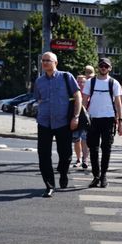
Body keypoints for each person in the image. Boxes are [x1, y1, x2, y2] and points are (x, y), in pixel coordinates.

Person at [33, 52, 81, 198]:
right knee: (43, 155)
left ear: (56, 63)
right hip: (44, 122)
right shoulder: (39, 81)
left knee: (65, 154)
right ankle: (49, 185)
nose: (45, 63)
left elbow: (77, 96)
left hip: (63, 122)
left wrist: (76, 117)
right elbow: (38, 99)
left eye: (48, 60)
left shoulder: (66, 77)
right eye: (43, 61)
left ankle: (64, 172)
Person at [83, 57, 122, 189]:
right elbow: (84, 100)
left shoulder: (114, 83)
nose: (103, 68)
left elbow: (118, 104)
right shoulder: (91, 82)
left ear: (110, 68)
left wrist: (121, 122)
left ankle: (104, 176)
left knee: (106, 148)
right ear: (98, 67)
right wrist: (81, 116)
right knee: (93, 149)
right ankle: (96, 176)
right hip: (93, 118)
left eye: (106, 66)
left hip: (108, 119)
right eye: (101, 66)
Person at [72, 74, 89, 170]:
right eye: (78, 81)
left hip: (86, 120)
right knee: (76, 139)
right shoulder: (73, 93)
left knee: (85, 139)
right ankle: (78, 159)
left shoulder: (88, 93)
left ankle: (85, 160)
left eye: (82, 82)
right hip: (76, 118)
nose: (80, 83)